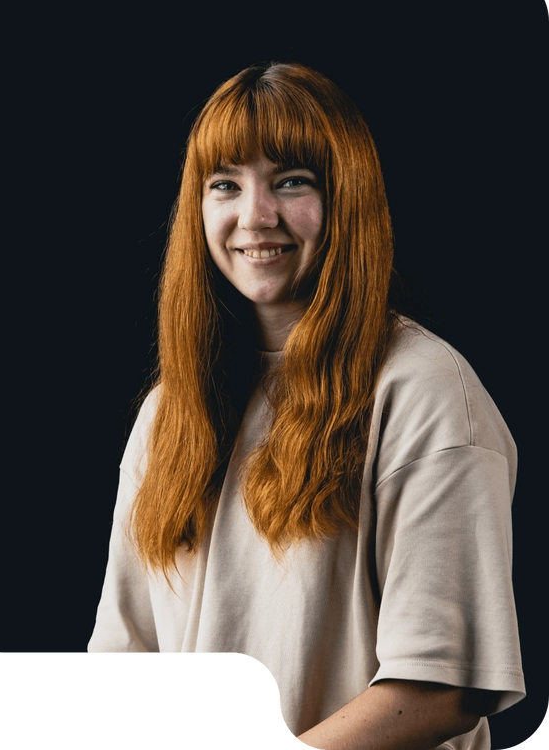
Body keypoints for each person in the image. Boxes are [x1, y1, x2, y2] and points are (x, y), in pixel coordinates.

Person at [87, 62, 525, 749]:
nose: (255, 216)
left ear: (346, 198)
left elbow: (443, 686)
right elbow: (124, 649)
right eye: (225, 184)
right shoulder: (167, 415)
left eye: (292, 181)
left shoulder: (426, 392)